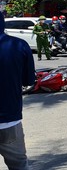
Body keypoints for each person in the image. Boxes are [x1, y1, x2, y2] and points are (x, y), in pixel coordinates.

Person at [0, 12, 36, 170]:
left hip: (11, 120)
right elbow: (28, 81)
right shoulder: (19, 45)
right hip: (10, 122)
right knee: (19, 165)